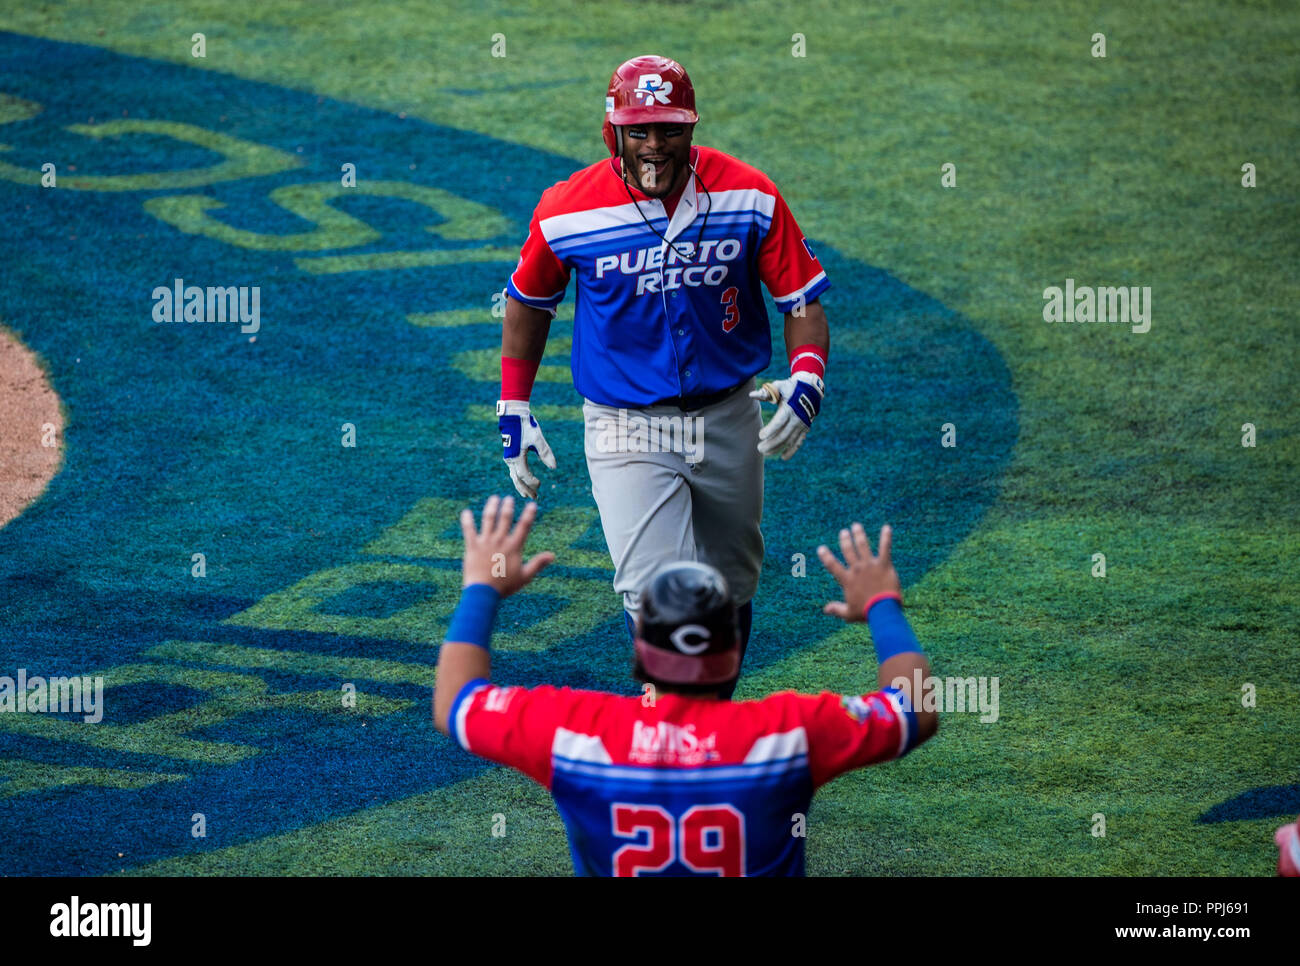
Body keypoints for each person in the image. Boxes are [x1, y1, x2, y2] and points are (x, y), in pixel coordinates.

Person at [496, 54, 832, 691]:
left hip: (730, 415)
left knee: (729, 588)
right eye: (639, 130)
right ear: (613, 132)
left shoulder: (748, 194)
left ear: (691, 128)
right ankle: (670, 728)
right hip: (625, 426)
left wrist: (808, 377)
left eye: (670, 129)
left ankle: (710, 719)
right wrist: (514, 403)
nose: (655, 144)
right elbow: (529, 302)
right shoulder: (567, 209)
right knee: (657, 593)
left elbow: (800, 299)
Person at [432, 495, 938, 877]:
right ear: (734, 648)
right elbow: (916, 705)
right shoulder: (790, 735)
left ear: (640, 649)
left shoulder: (574, 733)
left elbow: (455, 699)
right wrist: (882, 605)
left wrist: (482, 588)